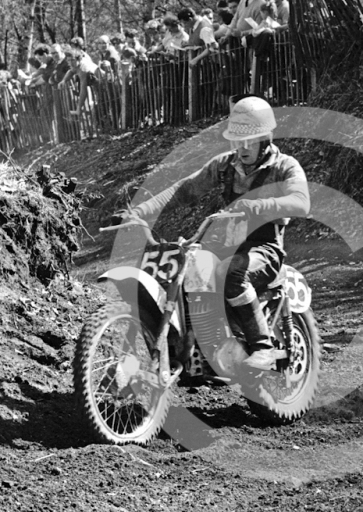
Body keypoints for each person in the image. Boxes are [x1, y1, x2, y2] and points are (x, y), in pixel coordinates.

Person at [118, 96, 310, 370]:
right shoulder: (224, 165)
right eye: (237, 141)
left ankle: (262, 347)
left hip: (265, 248)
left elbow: (302, 202)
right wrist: (140, 211)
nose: (242, 148)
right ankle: (191, 343)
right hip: (228, 242)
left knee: (232, 273)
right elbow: (183, 190)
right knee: (186, 267)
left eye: (250, 141)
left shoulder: (284, 166)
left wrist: (258, 206)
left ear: (265, 139)